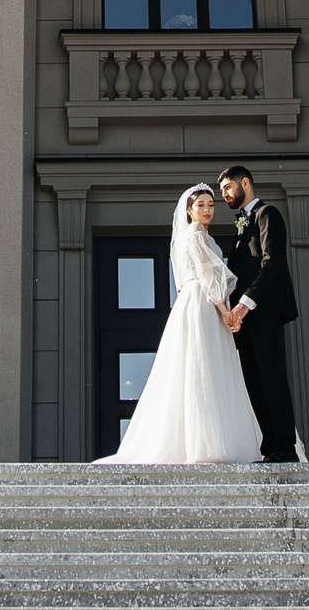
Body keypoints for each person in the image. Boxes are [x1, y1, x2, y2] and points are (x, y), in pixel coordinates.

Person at [97, 185, 262, 465]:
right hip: (202, 301)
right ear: (189, 210)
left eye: (211, 205)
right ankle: (208, 443)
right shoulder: (196, 233)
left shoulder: (199, 235)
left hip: (195, 301)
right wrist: (225, 311)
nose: (207, 210)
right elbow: (207, 274)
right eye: (201, 205)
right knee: (206, 365)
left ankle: (203, 441)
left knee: (198, 365)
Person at [219, 164, 302, 463]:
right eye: (222, 191)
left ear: (245, 183)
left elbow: (272, 262)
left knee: (271, 377)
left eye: (227, 187)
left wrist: (245, 304)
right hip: (244, 321)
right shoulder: (241, 224)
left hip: (263, 311)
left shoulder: (268, 214)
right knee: (254, 382)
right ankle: (270, 449)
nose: (224, 195)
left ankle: (286, 448)